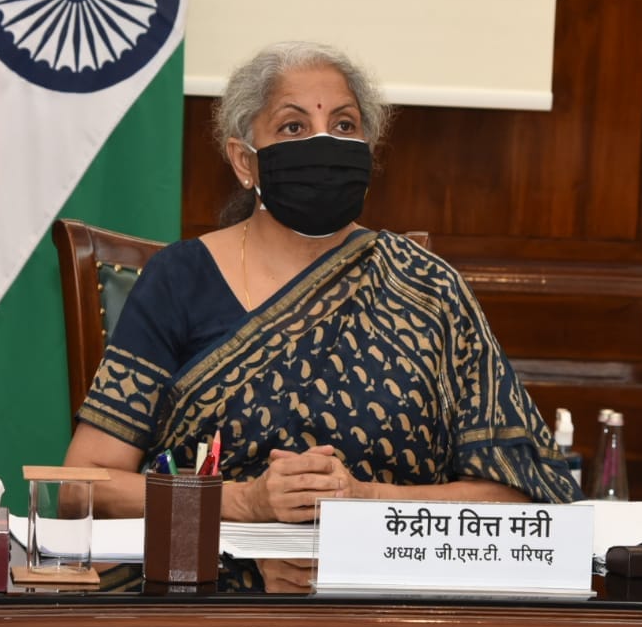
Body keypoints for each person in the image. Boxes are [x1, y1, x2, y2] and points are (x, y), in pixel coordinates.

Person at [64, 41, 582, 521]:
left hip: (384, 579)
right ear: (245, 162)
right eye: (293, 127)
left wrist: (363, 499)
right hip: (215, 574)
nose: (323, 143)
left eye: (343, 125)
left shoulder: (427, 288)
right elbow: (79, 486)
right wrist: (243, 502)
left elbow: (526, 495)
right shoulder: (180, 280)